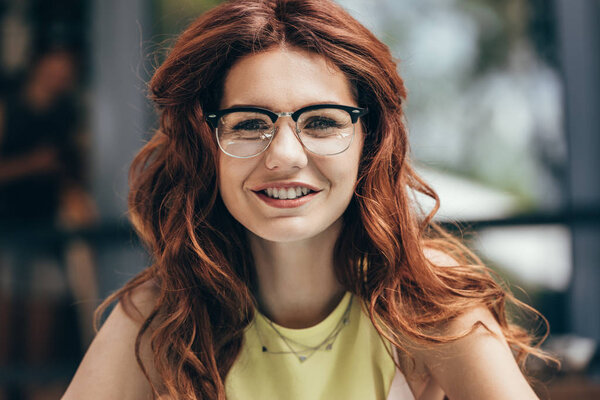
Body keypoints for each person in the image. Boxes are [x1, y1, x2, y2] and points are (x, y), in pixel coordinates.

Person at [63, 1, 556, 399]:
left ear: (370, 143)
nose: (283, 156)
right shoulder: (162, 313)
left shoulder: (426, 299)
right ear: (205, 150)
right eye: (249, 124)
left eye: (321, 121)